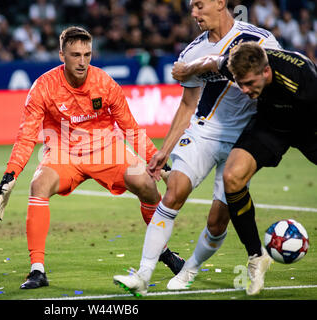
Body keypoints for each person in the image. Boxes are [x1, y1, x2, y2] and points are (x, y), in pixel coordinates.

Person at [0, 26, 182, 290]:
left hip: (106, 148)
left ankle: (163, 251)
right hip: (63, 152)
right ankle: (37, 270)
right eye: (75, 55)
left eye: (87, 54)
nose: (82, 61)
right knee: (39, 185)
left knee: (147, 186)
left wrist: (159, 165)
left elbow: (130, 128)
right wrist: (10, 174)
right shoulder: (43, 88)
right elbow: (26, 135)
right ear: (62, 55)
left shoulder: (104, 83)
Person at [113, 0, 280, 297]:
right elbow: (188, 105)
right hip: (204, 131)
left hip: (244, 142)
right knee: (174, 192)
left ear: (220, 3)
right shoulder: (192, 52)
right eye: (191, 7)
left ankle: (190, 268)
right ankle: (143, 274)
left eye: (199, 5)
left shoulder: (261, 40)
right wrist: (165, 149)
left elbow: (275, 83)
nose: (193, 13)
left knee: (217, 222)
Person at [220, 42, 316, 295]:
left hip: (309, 126)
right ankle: (256, 256)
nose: (244, 90)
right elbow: (211, 61)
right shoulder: (240, 66)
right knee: (231, 177)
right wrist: (186, 68)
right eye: (240, 83)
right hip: (271, 126)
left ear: (266, 71)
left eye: (249, 84)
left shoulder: (305, 82)